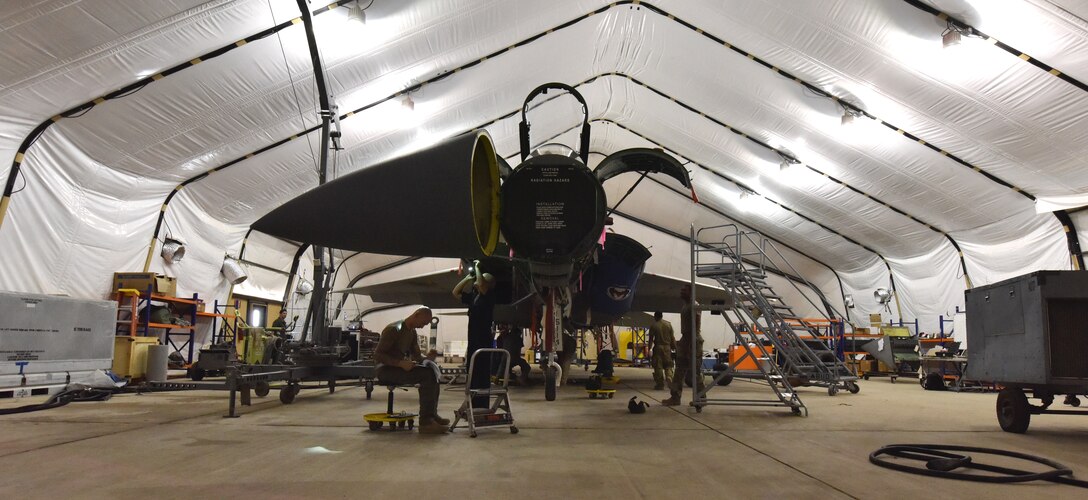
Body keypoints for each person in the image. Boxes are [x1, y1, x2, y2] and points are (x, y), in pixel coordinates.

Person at [373, 307, 449, 434]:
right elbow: (378, 355)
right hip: (384, 370)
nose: (423, 326)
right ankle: (425, 422)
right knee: (426, 375)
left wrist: (428, 358)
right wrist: (400, 363)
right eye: (423, 322)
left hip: (397, 368)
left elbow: (417, 356)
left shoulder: (412, 332)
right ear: (417, 315)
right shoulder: (394, 329)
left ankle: (431, 415)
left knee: (433, 372)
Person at [452, 260, 496, 408]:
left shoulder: (488, 296)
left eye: (482, 278)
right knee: (472, 373)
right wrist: (467, 278)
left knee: (482, 373)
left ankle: (482, 406)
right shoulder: (474, 297)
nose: (479, 279)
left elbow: (483, 285)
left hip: (483, 340)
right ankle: (473, 405)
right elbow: (455, 292)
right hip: (473, 339)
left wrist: (477, 267)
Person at [662, 285, 704, 406]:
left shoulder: (694, 305)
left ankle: (701, 398)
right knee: (679, 370)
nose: (681, 292)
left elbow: (696, 325)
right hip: (686, 339)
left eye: (684, 290)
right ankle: (675, 397)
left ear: (691, 292)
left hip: (693, 340)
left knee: (695, 372)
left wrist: (690, 344)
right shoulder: (685, 306)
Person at [648, 311, 676, 390]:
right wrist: (674, 347)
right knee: (668, 365)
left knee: (658, 366)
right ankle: (669, 376)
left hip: (658, 348)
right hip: (667, 348)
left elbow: (650, 339)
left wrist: (649, 349)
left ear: (655, 316)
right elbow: (672, 338)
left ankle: (660, 385)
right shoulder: (668, 325)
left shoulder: (654, 325)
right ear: (662, 316)